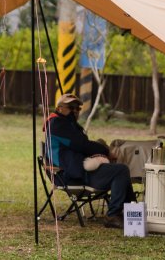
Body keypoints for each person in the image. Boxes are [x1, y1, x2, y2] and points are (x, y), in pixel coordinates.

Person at [44, 93, 135, 229]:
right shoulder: (57, 124)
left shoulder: (67, 124)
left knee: (120, 170)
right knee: (120, 171)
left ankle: (131, 212)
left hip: (77, 170)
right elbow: (82, 144)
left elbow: (82, 145)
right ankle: (114, 215)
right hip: (69, 175)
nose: (75, 111)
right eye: (71, 107)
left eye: (78, 108)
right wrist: (105, 151)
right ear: (59, 108)